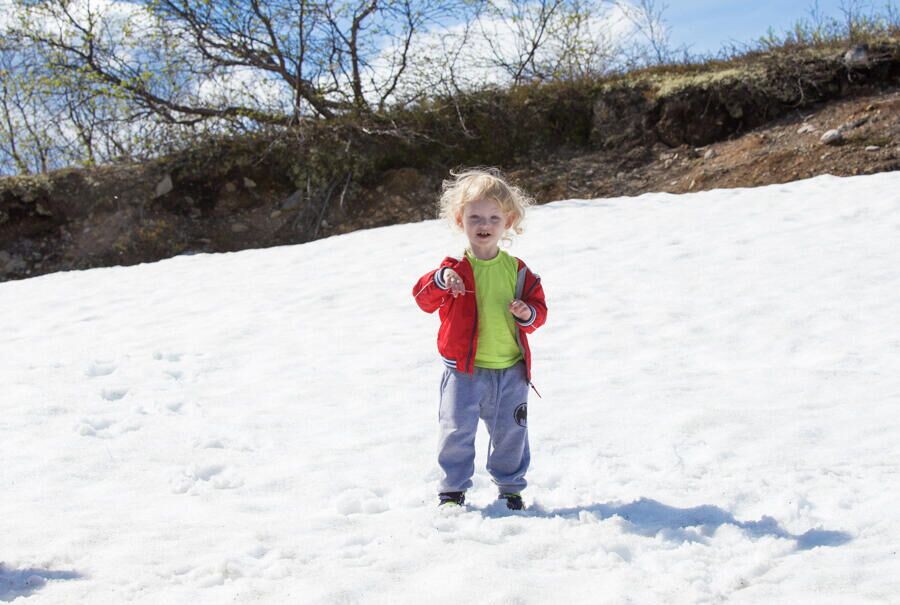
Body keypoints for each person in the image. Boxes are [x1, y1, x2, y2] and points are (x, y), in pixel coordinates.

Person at [412, 168, 548, 510]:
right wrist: (443, 279)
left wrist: (526, 313)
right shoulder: (453, 268)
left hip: (511, 371)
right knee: (457, 430)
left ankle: (510, 489)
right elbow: (423, 298)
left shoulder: (518, 271)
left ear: (508, 221)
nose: (483, 224)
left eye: (492, 217)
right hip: (464, 371)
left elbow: (539, 310)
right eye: (474, 217)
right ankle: (452, 490)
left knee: (510, 434)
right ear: (461, 220)